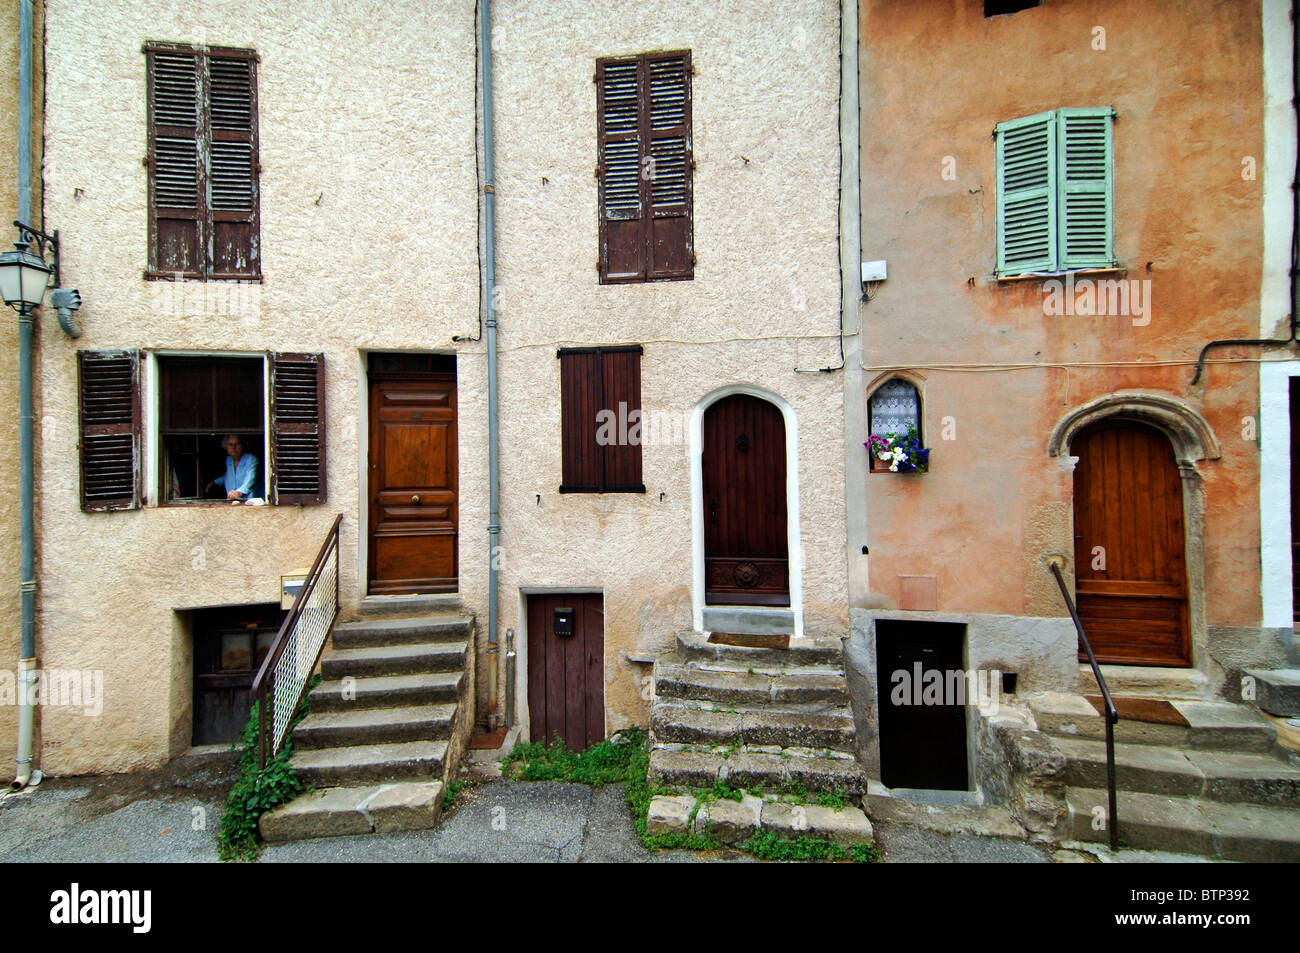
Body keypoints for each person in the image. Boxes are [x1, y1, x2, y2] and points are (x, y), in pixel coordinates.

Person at [206, 434, 259, 500]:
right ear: (226, 447)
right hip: (231, 500)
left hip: (248, 501)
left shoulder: (251, 459)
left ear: (242, 445)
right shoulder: (229, 459)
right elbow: (229, 475)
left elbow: (251, 477)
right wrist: (215, 482)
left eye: (237, 444)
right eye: (230, 444)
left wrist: (239, 492)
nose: (233, 447)